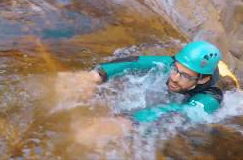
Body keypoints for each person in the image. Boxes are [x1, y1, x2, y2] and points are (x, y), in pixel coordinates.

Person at [90, 40, 223, 122]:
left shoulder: (211, 97)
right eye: (175, 69)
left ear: (203, 79)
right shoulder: (179, 64)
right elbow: (134, 62)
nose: (174, 78)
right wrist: (99, 74)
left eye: (185, 76)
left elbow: (177, 112)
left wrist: (130, 120)